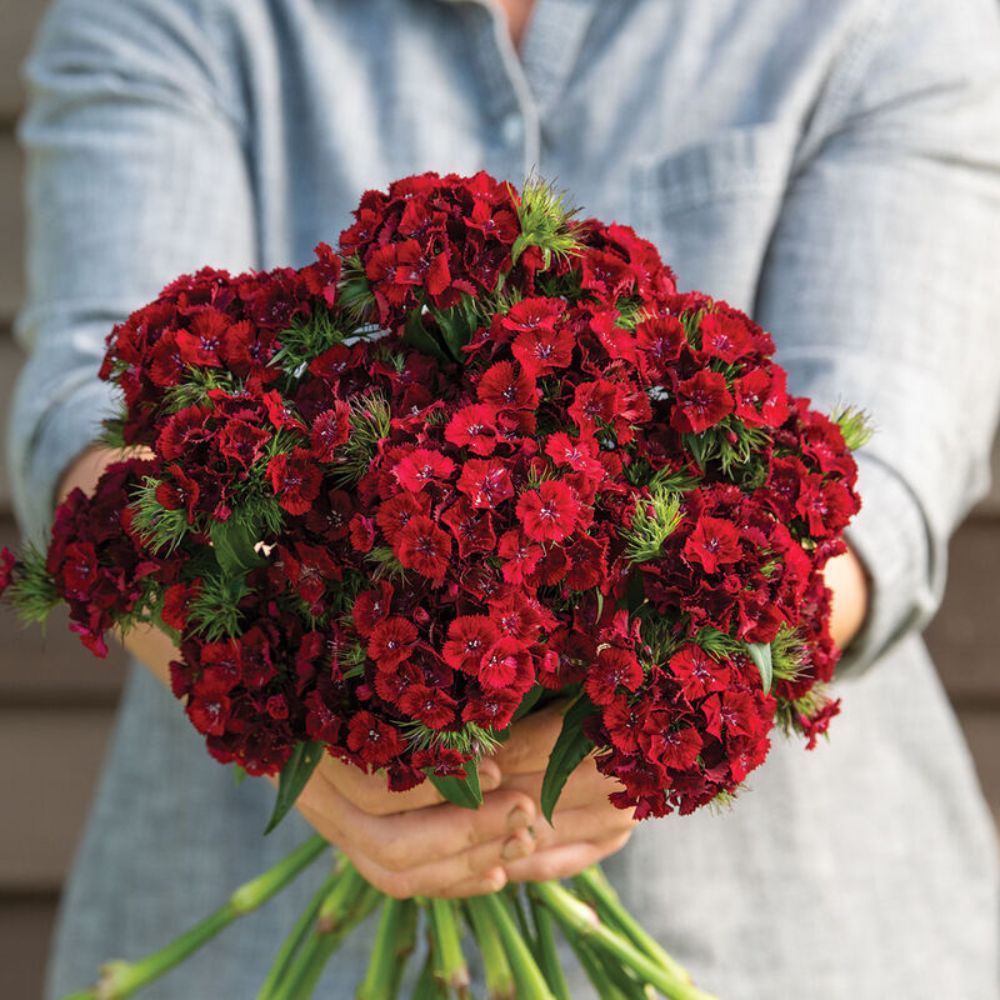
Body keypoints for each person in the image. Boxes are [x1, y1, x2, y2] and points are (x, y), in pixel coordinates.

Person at [8, 0, 1000, 996]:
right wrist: (303, 726)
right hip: (236, 933)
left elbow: (893, 454)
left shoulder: (883, 16)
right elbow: (88, 413)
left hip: (794, 941)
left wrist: (650, 689)